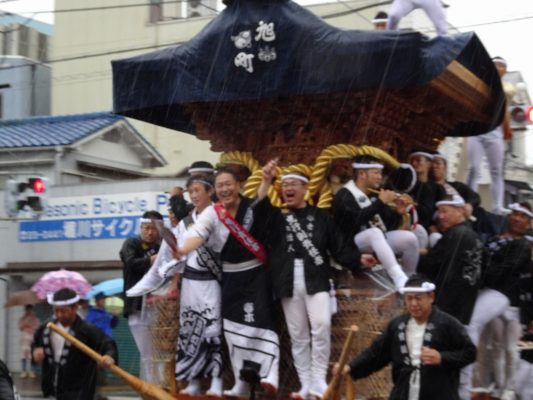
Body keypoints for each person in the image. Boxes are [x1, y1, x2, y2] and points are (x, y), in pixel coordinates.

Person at [173, 161, 280, 397]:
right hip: (230, 277)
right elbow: (197, 234)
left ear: (238, 185)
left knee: (261, 322)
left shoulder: (249, 206)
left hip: (256, 275)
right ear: (215, 189)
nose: (224, 189)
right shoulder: (213, 213)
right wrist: (182, 249)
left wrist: (266, 180)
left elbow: (260, 202)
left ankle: (271, 374)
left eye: (228, 184)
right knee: (232, 330)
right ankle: (241, 383)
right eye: (220, 185)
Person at [269, 171, 376, 399]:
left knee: (321, 325)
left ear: (306, 189)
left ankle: (318, 379)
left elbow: (338, 246)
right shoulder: (277, 218)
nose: (288, 188)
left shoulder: (322, 217)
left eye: (293, 184)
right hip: (287, 279)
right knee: (298, 335)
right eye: (285, 184)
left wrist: (357, 259)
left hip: (316, 277)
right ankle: (305, 382)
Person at [128, 175, 224, 396]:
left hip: (210, 281)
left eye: (198, 190)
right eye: (191, 191)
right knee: (190, 331)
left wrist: (183, 249)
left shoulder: (217, 215)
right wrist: (168, 262)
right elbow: (172, 255)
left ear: (210, 192)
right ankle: (194, 380)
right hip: (190, 282)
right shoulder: (184, 223)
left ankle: (216, 380)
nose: (194, 195)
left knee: (212, 331)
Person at [334, 275, 476, 399]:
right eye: (409, 299)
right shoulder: (397, 326)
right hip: (404, 391)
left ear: (431, 297)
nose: (414, 304)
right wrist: (350, 367)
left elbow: (470, 352)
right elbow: (376, 353)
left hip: (438, 393)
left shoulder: (448, 324)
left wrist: (442, 357)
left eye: (418, 298)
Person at [461, 202, 532, 400]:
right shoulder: (493, 239)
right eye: (515, 214)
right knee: (492, 346)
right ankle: (498, 388)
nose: (517, 218)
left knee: (510, 348)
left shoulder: (523, 246)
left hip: (513, 303)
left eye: (523, 216)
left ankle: (509, 389)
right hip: (490, 296)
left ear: (529, 223)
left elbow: (506, 271)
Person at [332, 155, 419, 290]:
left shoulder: (373, 194)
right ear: (361, 174)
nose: (380, 177)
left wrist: (397, 212)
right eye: (376, 172)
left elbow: (386, 228)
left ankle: (409, 279)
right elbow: (356, 221)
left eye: (380, 173)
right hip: (351, 246)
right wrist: (380, 202)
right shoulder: (344, 195)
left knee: (410, 238)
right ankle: (397, 276)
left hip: (375, 242)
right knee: (374, 233)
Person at [32, 288, 117, 400]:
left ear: (74, 308)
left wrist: (108, 356)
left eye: (63, 311)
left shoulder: (87, 330)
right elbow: (35, 345)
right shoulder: (46, 328)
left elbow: (107, 343)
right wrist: (35, 353)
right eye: (56, 311)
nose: (59, 315)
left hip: (78, 391)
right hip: (51, 388)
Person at [417, 194, 484, 325]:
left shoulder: (455, 234)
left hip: (445, 307)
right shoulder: (474, 236)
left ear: (460, 210)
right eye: (439, 212)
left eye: (445, 211)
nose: (440, 216)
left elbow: (431, 266)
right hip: (463, 310)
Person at [120, 209, 163, 381]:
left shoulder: (162, 246)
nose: (150, 232)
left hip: (159, 306)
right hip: (137, 307)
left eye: (154, 228)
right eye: (146, 228)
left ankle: (160, 384)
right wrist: (152, 260)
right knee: (146, 352)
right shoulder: (131, 244)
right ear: (140, 227)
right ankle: (150, 387)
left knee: (159, 351)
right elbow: (131, 263)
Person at [467, 56, 513, 215]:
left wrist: (507, 128)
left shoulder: (507, 88)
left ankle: (497, 206)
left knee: (496, 170)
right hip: (477, 130)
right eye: (496, 65)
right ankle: (471, 201)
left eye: (501, 66)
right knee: (473, 167)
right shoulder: (480, 82)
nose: (498, 68)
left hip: (495, 132)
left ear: (505, 70)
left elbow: (505, 111)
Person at [18, 304, 40, 378]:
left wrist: (30, 327)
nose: (28, 310)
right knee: (23, 355)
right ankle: (23, 371)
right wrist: (24, 322)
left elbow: (37, 326)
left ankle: (32, 371)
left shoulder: (34, 318)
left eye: (29, 309)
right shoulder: (23, 318)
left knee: (31, 354)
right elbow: (20, 327)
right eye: (27, 309)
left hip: (32, 337)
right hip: (24, 337)